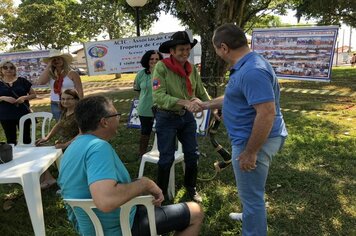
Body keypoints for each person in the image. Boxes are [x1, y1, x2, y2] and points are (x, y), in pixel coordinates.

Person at [58, 95, 204, 236]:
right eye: (116, 115)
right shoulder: (98, 148)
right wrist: (144, 184)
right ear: (104, 122)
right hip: (120, 227)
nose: (118, 118)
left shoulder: (72, 148)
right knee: (195, 211)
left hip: (92, 227)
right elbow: (105, 200)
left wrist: (143, 185)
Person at [198, 23, 288, 236]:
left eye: (216, 50)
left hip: (254, 141)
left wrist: (250, 152)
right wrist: (207, 105)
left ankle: (253, 227)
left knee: (252, 196)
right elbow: (234, 97)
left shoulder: (252, 71)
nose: (218, 55)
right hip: (252, 138)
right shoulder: (247, 64)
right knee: (250, 191)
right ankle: (250, 213)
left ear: (224, 47)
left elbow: (266, 113)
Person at [152, 31, 211, 203]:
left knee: (192, 154)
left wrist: (213, 106)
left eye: (187, 49)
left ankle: (191, 188)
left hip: (186, 118)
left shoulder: (191, 68)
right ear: (171, 50)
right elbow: (159, 96)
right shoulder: (161, 67)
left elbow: (200, 90)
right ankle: (160, 194)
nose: (185, 53)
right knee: (166, 158)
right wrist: (184, 102)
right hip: (166, 117)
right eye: (181, 50)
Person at [36, 88, 80, 189]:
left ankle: (66, 183)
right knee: (38, 150)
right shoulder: (65, 111)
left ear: (76, 100)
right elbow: (58, 125)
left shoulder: (79, 113)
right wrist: (46, 138)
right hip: (62, 143)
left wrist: (65, 145)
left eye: (69, 99)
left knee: (46, 154)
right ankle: (48, 179)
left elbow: (82, 133)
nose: (65, 101)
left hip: (75, 144)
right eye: (63, 99)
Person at [133, 50, 163, 159]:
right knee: (145, 132)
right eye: (151, 59)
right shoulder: (140, 74)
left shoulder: (164, 73)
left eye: (157, 59)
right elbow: (138, 90)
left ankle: (163, 153)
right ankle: (142, 154)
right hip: (145, 108)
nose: (154, 61)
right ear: (147, 60)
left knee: (162, 132)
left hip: (162, 108)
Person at [37, 50, 83, 121]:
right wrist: (48, 66)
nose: (56, 61)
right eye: (54, 60)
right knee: (59, 125)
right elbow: (40, 82)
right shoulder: (50, 74)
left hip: (70, 102)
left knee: (72, 124)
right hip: (55, 103)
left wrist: (79, 104)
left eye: (58, 59)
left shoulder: (72, 73)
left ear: (63, 60)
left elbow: (79, 89)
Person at [0, 60, 36, 144]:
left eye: (11, 67)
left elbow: (33, 95)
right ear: (1, 70)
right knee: (11, 140)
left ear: (15, 70)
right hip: (6, 115)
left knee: (26, 139)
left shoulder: (22, 81)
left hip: (23, 113)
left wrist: (24, 97)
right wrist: (2, 97)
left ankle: (28, 156)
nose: (8, 69)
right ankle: (14, 156)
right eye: (5, 67)